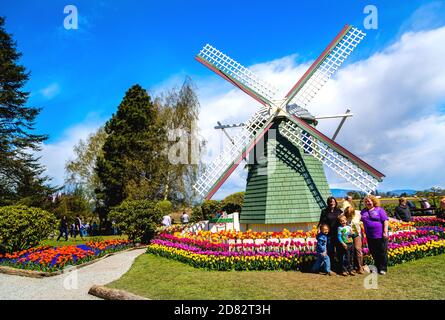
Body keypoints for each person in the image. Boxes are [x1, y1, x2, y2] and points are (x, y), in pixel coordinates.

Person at [361, 195, 389, 275]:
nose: (368, 203)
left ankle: (383, 268)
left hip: (380, 234)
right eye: (366, 201)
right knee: (374, 252)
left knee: (382, 251)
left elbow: (385, 221)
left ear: (373, 201)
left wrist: (385, 231)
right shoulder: (363, 211)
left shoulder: (379, 210)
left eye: (369, 201)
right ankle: (377, 267)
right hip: (370, 235)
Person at [318, 196, 343, 272]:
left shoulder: (339, 211)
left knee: (339, 251)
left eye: (333, 201)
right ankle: (331, 267)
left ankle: (340, 267)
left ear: (335, 202)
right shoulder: (325, 211)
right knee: (330, 251)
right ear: (328, 203)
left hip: (338, 234)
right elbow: (321, 221)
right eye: (330, 201)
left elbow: (343, 220)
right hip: (329, 234)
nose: (332, 203)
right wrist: (319, 228)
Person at [344, 206, 364, 274]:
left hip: (357, 234)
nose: (349, 217)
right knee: (349, 250)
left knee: (358, 249)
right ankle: (350, 268)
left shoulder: (358, 214)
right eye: (348, 215)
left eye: (350, 215)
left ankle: (360, 267)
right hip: (348, 235)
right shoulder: (344, 215)